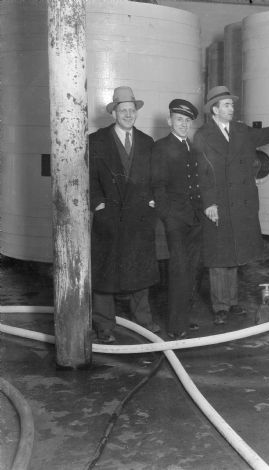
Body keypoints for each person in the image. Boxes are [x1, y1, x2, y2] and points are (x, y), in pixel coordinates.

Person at [193, 85, 269, 325]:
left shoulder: (240, 130)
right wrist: (209, 203)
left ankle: (232, 301)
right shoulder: (203, 136)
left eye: (232, 104)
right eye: (226, 105)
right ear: (214, 110)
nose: (231, 108)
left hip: (241, 203)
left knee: (236, 252)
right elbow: (202, 174)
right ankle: (220, 306)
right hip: (218, 202)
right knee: (219, 256)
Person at [89, 86, 161, 344]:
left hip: (139, 217)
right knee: (105, 272)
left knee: (140, 269)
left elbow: (155, 177)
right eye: (123, 110)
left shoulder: (146, 142)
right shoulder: (96, 141)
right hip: (109, 216)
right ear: (114, 113)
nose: (128, 114)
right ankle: (104, 325)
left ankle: (144, 321)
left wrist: (152, 200)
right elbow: (89, 177)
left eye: (132, 110)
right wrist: (97, 203)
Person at [151, 99, 207, 339]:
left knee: (193, 269)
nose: (184, 124)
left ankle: (185, 316)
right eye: (179, 120)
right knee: (179, 269)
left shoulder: (192, 147)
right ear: (169, 121)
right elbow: (158, 186)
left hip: (195, 218)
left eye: (187, 121)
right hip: (176, 220)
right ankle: (175, 325)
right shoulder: (161, 147)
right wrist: (167, 216)